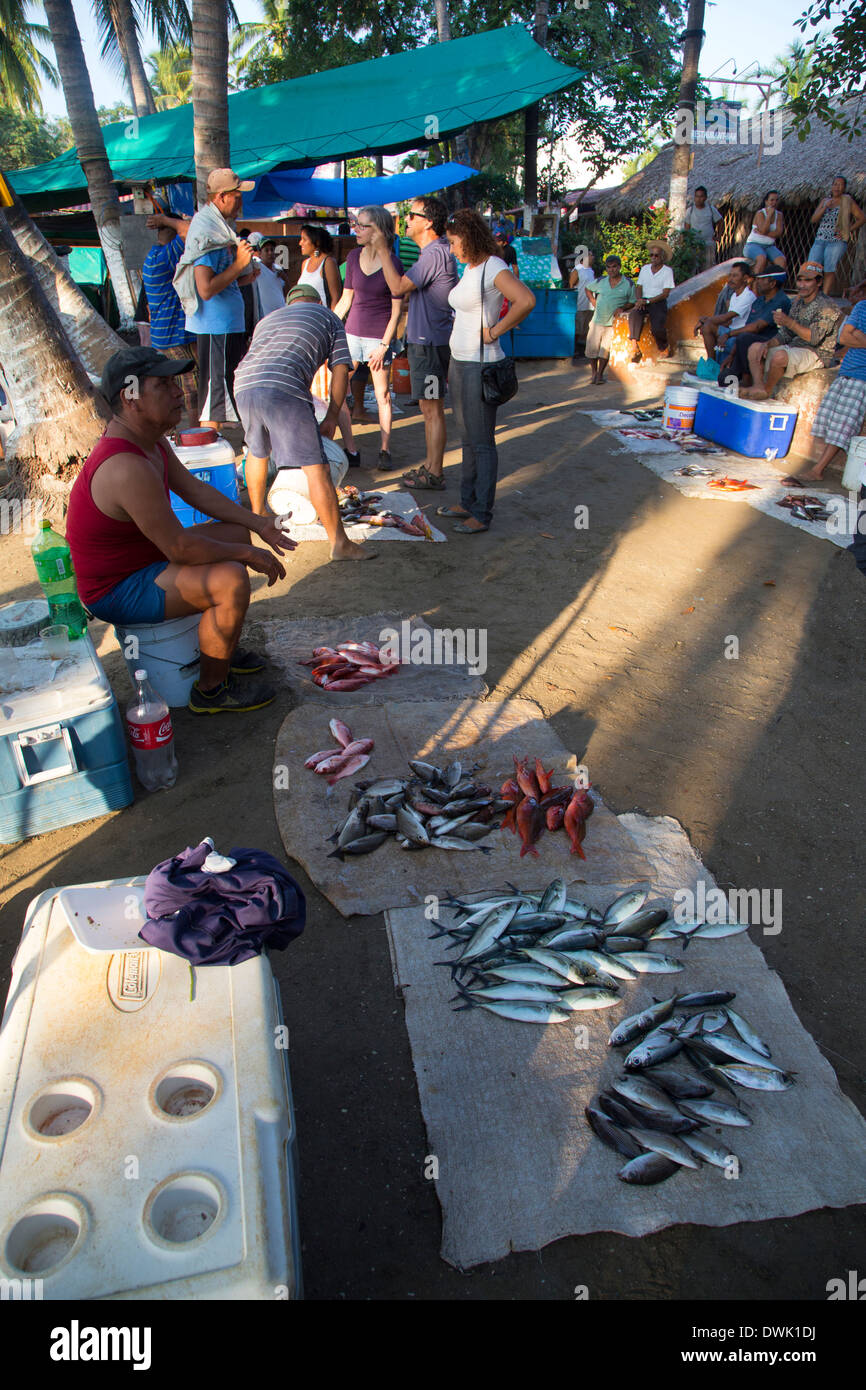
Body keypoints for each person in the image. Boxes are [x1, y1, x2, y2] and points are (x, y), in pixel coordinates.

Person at [66, 347, 290, 714]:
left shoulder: (149, 441)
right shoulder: (125, 464)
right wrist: (249, 555)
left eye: (176, 382)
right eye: (164, 384)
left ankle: (222, 651)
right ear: (131, 397)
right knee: (230, 580)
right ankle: (211, 690)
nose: (178, 392)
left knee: (235, 532)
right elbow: (181, 549)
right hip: (115, 588)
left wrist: (258, 522)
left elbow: (195, 490)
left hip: (144, 562)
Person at [234, 284, 371, 561]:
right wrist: (332, 415)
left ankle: (258, 518)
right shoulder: (329, 317)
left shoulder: (268, 320)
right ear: (318, 301)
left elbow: (257, 357)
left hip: (243, 383)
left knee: (257, 452)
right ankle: (340, 544)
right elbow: (341, 371)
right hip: (284, 386)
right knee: (315, 468)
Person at [428, 208, 535, 532]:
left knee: (482, 441)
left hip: (481, 362)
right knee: (468, 438)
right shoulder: (472, 268)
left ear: (469, 236)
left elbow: (525, 300)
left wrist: (494, 331)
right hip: (460, 362)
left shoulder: (493, 266)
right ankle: (467, 501)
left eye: (453, 240)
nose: (450, 248)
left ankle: (482, 513)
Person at [370, 195, 458, 490]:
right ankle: (432, 468)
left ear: (428, 222)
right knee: (428, 407)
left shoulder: (434, 254)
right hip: (429, 342)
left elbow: (397, 287)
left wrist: (382, 249)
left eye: (412, 215)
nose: (406, 219)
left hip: (430, 344)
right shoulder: (433, 253)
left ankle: (434, 472)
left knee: (432, 409)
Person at [172, 168, 260, 430]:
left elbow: (226, 280)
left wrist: (245, 273)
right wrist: (239, 265)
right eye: (237, 195)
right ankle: (208, 455)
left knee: (225, 391)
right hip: (216, 327)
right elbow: (206, 289)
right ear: (221, 197)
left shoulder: (221, 229)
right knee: (214, 398)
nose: (241, 200)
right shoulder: (206, 235)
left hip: (228, 324)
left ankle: (227, 450)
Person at [333, 206, 404, 469]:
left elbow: (396, 311)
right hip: (351, 334)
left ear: (379, 231)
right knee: (338, 392)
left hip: (378, 337)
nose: (356, 230)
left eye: (363, 226)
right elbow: (345, 299)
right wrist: (326, 324)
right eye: (357, 224)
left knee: (383, 394)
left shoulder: (393, 263)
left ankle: (385, 450)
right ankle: (351, 448)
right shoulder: (352, 257)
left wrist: (385, 346)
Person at [295, 223, 360, 466]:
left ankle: (351, 449)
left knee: (336, 394)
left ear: (315, 243)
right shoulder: (304, 264)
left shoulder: (328, 263)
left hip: (323, 332)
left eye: (303, 239)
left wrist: (329, 333)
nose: (300, 243)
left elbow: (336, 298)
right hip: (306, 334)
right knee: (314, 395)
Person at [782, 297, 866, 484]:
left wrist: (858, 335)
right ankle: (817, 467)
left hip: (863, 376)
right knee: (829, 419)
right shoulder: (862, 305)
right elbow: (843, 337)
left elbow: (850, 335)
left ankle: (818, 469)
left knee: (843, 425)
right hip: (846, 371)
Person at [742, 261, 841, 400]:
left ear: (819, 283)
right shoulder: (798, 303)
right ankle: (758, 386)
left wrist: (788, 322)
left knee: (780, 357)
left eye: (807, 281)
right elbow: (786, 334)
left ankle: (767, 390)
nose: (802, 285)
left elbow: (814, 338)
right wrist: (768, 344)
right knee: (755, 348)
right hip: (794, 347)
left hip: (816, 352)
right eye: (800, 280)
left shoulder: (827, 306)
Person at [141, 209, 198, 426]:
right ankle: (195, 434)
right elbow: (191, 231)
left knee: (178, 386)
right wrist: (166, 220)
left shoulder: (153, 256)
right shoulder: (166, 256)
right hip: (172, 334)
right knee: (191, 385)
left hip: (164, 334)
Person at [717, 270, 791, 383]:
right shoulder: (759, 300)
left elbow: (757, 327)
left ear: (772, 284)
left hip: (771, 341)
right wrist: (732, 355)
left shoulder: (781, 301)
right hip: (748, 341)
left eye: (761, 280)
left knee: (745, 337)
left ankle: (747, 377)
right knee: (723, 379)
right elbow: (748, 327)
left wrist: (728, 334)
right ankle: (739, 372)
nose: (757, 283)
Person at [808, 176, 866, 299]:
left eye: (840, 185)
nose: (837, 187)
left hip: (836, 241)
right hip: (820, 239)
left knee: (829, 267)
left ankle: (824, 297)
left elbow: (862, 218)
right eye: (835, 184)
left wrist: (848, 230)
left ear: (844, 188)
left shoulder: (847, 201)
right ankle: (810, 295)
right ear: (831, 186)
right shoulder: (825, 201)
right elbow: (813, 219)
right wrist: (824, 207)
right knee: (812, 267)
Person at [585, 254, 634, 385]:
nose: (611, 270)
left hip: (612, 323)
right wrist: (592, 300)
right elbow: (588, 288)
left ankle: (600, 375)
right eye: (609, 267)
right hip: (597, 321)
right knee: (591, 349)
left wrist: (622, 308)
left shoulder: (628, 284)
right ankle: (594, 373)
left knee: (605, 350)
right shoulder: (601, 281)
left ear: (619, 267)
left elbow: (632, 301)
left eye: (614, 267)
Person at [693, 261, 755, 357]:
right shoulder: (734, 295)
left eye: (735, 276)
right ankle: (711, 364)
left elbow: (726, 317)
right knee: (707, 326)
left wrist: (704, 319)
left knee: (707, 324)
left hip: (740, 334)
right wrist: (706, 322)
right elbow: (729, 321)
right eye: (730, 275)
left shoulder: (748, 296)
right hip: (730, 329)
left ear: (745, 278)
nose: (730, 279)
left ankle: (712, 366)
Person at [628, 240, 675, 361]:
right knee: (634, 314)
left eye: (656, 255)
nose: (653, 258)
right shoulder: (645, 269)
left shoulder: (667, 271)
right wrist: (639, 300)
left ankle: (663, 346)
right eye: (651, 255)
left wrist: (648, 301)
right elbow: (639, 286)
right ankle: (634, 348)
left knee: (657, 327)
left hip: (657, 302)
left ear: (662, 257)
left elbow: (665, 293)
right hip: (644, 301)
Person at [742, 190, 786, 277]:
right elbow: (764, 229)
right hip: (753, 245)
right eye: (772, 200)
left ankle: (776, 286)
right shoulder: (760, 213)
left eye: (776, 200)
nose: (774, 202)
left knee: (782, 261)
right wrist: (769, 215)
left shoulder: (779, 215)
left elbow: (778, 233)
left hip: (769, 246)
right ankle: (755, 284)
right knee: (762, 259)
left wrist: (763, 233)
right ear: (766, 201)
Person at [250, 237, 290, 322]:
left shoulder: (278, 270)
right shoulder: (257, 268)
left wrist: (285, 278)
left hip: (281, 317)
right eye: (266, 250)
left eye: (272, 250)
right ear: (260, 253)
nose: (270, 253)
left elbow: (287, 293)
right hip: (266, 318)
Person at [685, 186, 722, 270]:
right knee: (693, 268)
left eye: (701, 196)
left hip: (708, 243)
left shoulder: (711, 209)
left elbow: (720, 222)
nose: (698, 199)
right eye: (696, 196)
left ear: (705, 198)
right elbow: (687, 226)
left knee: (708, 269)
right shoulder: (690, 210)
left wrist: (719, 235)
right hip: (694, 244)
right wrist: (687, 241)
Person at [569, 250, 596, 353]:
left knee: (586, 328)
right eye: (591, 255)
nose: (593, 257)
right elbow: (571, 285)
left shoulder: (591, 270)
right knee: (577, 328)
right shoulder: (577, 269)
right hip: (579, 303)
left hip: (589, 304)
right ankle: (573, 350)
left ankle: (582, 350)